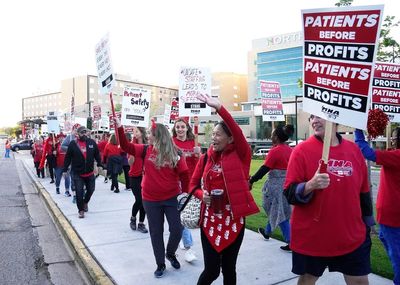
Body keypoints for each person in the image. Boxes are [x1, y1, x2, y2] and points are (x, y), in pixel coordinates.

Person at [283, 115, 374, 285]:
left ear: (336, 118)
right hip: (313, 237)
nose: (314, 120)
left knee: (359, 281)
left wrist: (368, 224)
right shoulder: (301, 151)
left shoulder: (354, 151)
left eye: (320, 116)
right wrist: (310, 185)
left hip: (351, 236)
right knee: (307, 279)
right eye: (311, 117)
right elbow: (289, 193)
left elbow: (364, 192)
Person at [189, 94, 259, 285]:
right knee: (211, 271)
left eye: (218, 134)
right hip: (209, 220)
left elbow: (236, 130)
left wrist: (220, 107)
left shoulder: (242, 154)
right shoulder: (206, 158)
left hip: (234, 221)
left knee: (229, 270)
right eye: (213, 134)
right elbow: (192, 185)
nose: (213, 138)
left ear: (230, 138)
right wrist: (202, 195)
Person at [116, 118, 189, 279]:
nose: (148, 136)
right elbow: (126, 146)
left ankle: (170, 253)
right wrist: (120, 128)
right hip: (150, 200)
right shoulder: (145, 150)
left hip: (172, 198)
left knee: (177, 229)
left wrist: (185, 194)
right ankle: (160, 263)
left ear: (158, 136)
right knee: (156, 232)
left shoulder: (176, 153)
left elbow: (184, 175)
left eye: (150, 133)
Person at [354, 127, 400, 285]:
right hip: (392, 213)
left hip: (392, 214)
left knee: (396, 255)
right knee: (384, 237)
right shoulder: (394, 156)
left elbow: (367, 152)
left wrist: (358, 130)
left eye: (394, 138)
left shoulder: (397, 156)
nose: (392, 141)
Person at [250, 124, 294, 251]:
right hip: (287, 184)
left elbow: (264, 169)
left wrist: (252, 180)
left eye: (272, 134)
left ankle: (291, 241)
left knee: (278, 211)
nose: (271, 136)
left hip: (275, 186)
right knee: (278, 209)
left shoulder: (275, 151)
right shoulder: (290, 150)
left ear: (276, 137)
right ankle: (267, 231)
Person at [172, 118, 201, 263]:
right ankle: (189, 248)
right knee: (182, 214)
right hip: (176, 183)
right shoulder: (171, 142)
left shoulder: (193, 142)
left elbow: (199, 164)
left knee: (188, 214)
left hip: (191, 184)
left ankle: (181, 238)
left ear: (187, 128)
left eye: (182, 127)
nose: (180, 129)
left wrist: (198, 154)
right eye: (178, 127)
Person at [63, 126, 102, 218]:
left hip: (89, 173)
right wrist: (65, 169)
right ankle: (81, 210)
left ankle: (85, 202)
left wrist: (100, 164)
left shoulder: (91, 142)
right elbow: (68, 157)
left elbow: (97, 154)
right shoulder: (73, 144)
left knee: (91, 190)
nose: (84, 134)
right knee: (79, 193)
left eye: (85, 132)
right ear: (78, 134)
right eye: (82, 133)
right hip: (78, 173)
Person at [127, 127, 148, 233]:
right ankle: (133, 218)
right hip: (135, 176)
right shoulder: (132, 146)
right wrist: (131, 158)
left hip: (146, 176)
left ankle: (141, 223)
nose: (135, 134)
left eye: (137, 131)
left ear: (142, 132)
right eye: (133, 132)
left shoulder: (148, 144)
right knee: (139, 200)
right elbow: (130, 163)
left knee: (144, 201)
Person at [61, 124, 81, 203]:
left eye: (78, 129)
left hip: (83, 163)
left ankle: (82, 193)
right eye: (76, 129)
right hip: (73, 163)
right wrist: (71, 150)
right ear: (73, 130)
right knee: (73, 179)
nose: (77, 131)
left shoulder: (83, 137)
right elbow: (62, 146)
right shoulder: (69, 138)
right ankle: (75, 196)